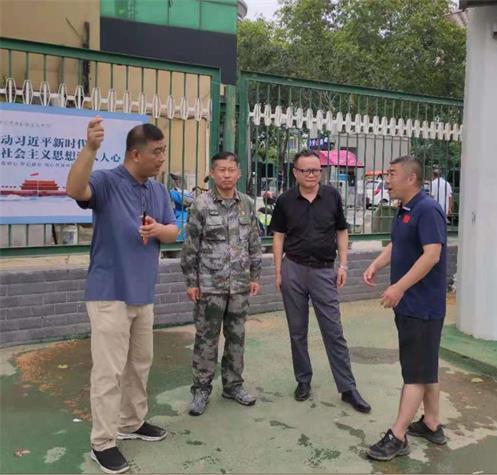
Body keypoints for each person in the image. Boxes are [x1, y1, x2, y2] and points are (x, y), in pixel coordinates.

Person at [66, 119, 179, 474]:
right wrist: (90, 149)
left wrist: (159, 230)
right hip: (109, 293)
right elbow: (74, 189)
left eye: (163, 151)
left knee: (139, 365)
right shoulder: (107, 182)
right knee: (109, 372)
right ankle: (103, 442)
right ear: (135, 154)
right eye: (156, 152)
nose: (162, 158)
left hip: (143, 292)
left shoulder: (158, 191)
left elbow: (173, 231)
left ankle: (131, 422)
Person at [270, 150, 371, 413]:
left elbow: (341, 231)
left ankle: (347, 388)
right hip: (293, 269)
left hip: (324, 271)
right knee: (297, 330)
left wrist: (343, 264)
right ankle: (303, 380)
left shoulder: (332, 196)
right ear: (295, 173)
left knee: (333, 331)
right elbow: (278, 236)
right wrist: (279, 271)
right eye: (306, 170)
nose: (312, 175)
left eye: (316, 170)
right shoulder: (285, 201)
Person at [362, 156, 447, 461]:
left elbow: (432, 255)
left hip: (423, 306)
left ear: (411, 178)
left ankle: (397, 436)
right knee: (425, 366)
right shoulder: (406, 209)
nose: (386, 180)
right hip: (411, 305)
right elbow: (398, 244)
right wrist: (376, 264)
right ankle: (432, 423)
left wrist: (398, 287)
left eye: (392, 174)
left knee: (415, 374)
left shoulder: (427, 209)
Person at [180, 151, 262, 416]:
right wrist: (191, 281)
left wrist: (255, 276)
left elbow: (253, 242)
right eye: (221, 170)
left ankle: (233, 386)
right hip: (209, 286)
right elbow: (191, 246)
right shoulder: (201, 205)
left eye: (231, 170)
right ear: (212, 174)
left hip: (239, 285)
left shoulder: (247, 204)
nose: (227, 175)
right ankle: (201, 389)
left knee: (236, 337)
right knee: (207, 339)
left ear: (239, 173)